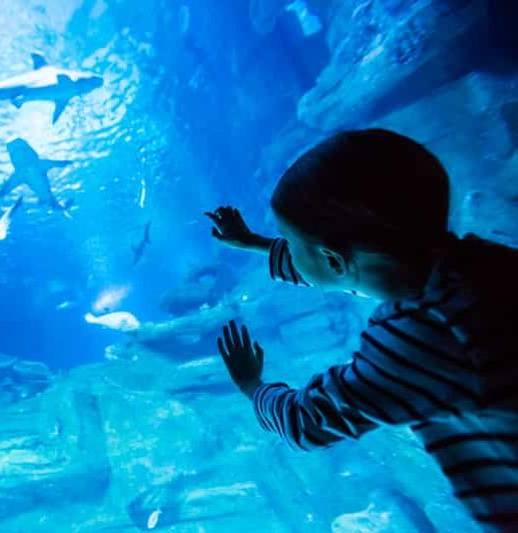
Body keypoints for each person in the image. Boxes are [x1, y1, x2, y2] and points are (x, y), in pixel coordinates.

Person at [206, 129, 518, 531]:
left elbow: (308, 422)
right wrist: (254, 243)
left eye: (290, 240)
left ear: (334, 259)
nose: (288, 247)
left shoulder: (420, 336)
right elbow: (340, 265)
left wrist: (252, 386)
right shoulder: (480, 266)